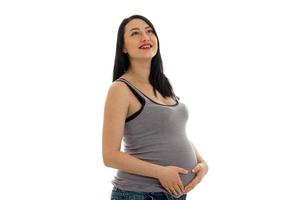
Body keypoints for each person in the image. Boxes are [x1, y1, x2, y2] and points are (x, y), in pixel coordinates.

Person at [102, 14, 208, 200]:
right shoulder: (121, 89)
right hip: (140, 194)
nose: (145, 37)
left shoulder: (163, 83)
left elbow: (173, 133)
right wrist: (160, 172)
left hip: (174, 194)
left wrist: (201, 162)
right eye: (135, 33)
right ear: (123, 47)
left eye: (149, 31)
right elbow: (110, 156)